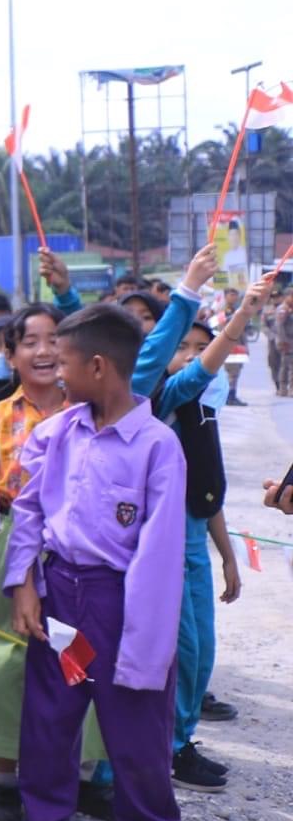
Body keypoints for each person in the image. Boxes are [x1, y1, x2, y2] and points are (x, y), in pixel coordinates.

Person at [0, 304, 191, 821]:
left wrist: (143, 640)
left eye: (68, 362)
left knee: (135, 726)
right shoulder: (58, 432)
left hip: (119, 599)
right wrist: (23, 582)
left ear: (100, 366)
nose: (58, 373)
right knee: (49, 720)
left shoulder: (156, 446)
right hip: (61, 595)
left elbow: (159, 555)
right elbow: (29, 510)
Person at [148, 280, 262, 791]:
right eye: (183, 349)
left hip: (193, 535)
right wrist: (241, 316)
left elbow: (209, 494)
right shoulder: (162, 400)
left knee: (201, 651)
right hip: (159, 541)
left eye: (201, 345)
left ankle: (183, 740)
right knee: (179, 646)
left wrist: (228, 556)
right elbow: (203, 370)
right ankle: (166, 746)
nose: (192, 358)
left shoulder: (202, 416)